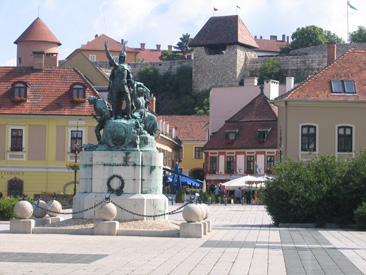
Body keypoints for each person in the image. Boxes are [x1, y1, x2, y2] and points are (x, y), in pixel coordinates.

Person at [105, 40, 134, 120]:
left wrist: (124, 46)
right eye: (121, 57)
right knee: (115, 101)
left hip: (124, 85)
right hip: (116, 85)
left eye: (123, 57)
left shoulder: (127, 67)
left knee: (128, 100)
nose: (122, 58)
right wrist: (106, 48)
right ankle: (114, 115)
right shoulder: (116, 65)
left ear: (125, 58)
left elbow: (130, 78)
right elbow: (110, 57)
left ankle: (128, 115)